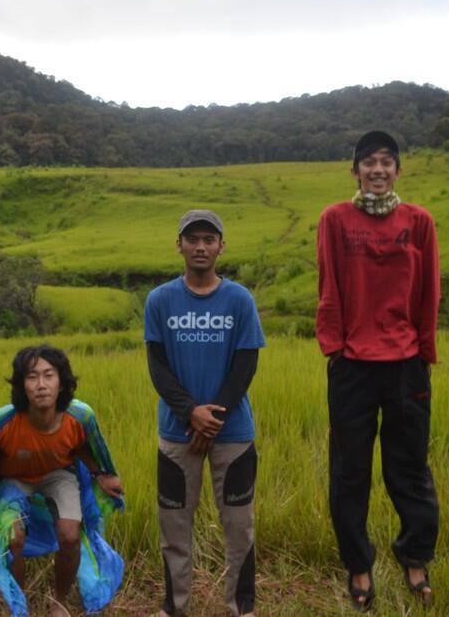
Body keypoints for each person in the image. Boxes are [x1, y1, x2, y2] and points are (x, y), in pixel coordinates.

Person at [316, 130, 440, 610]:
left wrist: (424, 351)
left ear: (398, 171)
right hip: (353, 366)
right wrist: (335, 347)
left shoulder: (419, 222)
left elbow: (429, 290)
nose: (378, 170)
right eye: (369, 162)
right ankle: (359, 564)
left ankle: (415, 556)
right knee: (350, 471)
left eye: (387, 161)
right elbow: (329, 285)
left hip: (407, 364)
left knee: (409, 468)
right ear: (355, 171)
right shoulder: (335, 220)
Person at [145, 209, 265, 617]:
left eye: (208, 239)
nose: (200, 246)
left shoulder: (239, 299)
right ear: (178, 244)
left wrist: (212, 417)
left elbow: (245, 364)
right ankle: (174, 607)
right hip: (176, 434)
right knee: (174, 527)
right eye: (192, 238)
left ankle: (241, 607)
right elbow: (157, 367)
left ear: (220, 247)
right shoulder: (160, 300)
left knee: (239, 527)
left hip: (233, 435)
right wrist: (190, 413)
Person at [0, 345, 125, 617]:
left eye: (49, 375)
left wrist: (101, 475)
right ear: (22, 385)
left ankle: (59, 601)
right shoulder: (0, 424)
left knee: (70, 536)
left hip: (59, 474)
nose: (41, 385)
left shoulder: (80, 416)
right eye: (32, 377)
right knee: (14, 537)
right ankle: (20, 604)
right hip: (14, 479)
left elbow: (86, 448)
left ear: (62, 382)